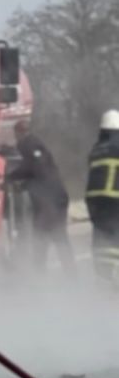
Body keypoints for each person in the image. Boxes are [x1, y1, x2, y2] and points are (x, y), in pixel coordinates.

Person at [6, 120, 75, 275]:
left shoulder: (30, 145)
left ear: (19, 133)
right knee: (52, 237)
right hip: (53, 198)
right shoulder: (33, 145)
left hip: (50, 200)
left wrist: (10, 176)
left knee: (46, 237)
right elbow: (37, 173)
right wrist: (23, 184)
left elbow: (34, 168)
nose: (16, 137)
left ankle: (42, 277)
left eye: (17, 133)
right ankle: (68, 276)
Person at [86, 110, 119, 287]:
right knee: (115, 237)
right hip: (114, 199)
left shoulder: (96, 148)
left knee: (100, 238)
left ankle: (103, 277)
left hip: (94, 201)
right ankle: (114, 278)